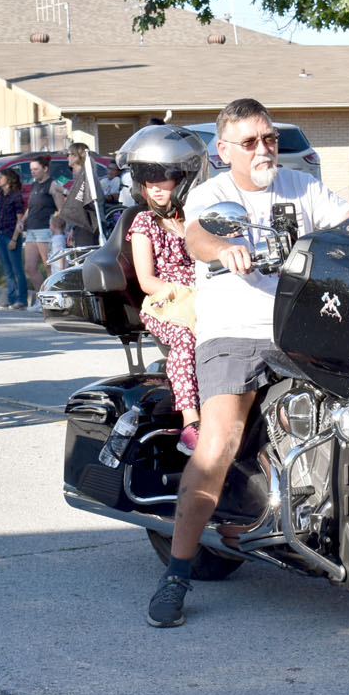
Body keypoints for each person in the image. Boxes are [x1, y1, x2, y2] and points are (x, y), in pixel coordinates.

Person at [147, 97, 349, 629]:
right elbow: (196, 236)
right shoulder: (212, 193)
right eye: (250, 142)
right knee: (218, 442)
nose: (264, 149)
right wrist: (222, 249)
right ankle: (176, 573)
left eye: (270, 139)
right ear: (225, 150)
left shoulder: (301, 185)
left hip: (302, 329)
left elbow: (346, 219)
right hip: (235, 332)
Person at [122, 125, 207, 455]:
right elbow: (147, 280)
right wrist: (187, 294)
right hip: (165, 302)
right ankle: (191, 424)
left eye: (164, 178)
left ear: (182, 179)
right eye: (148, 179)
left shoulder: (194, 218)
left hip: (203, 297)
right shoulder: (143, 222)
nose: (156, 188)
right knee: (186, 338)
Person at [15, 155, 62, 296]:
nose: (33, 172)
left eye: (36, 169)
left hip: (45, 230)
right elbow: (31, 207)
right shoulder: (35, 184)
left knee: (48, 266)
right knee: (30, 267)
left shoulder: (53, 184)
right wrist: (21, 221)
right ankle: (41, 297)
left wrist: (58, 226)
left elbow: (61, 208)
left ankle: (51, 297)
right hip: (32, 230)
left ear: (45, 168)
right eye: (31, 169)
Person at [0, 168, 27, 309]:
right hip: (1, 234)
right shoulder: (0, 196)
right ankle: (11, 298)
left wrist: (14, 239)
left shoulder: (16, 196)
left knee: (17, 268)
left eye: (1, 176)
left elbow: (20, 220)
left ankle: (22, 299)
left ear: (9, 179)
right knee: (7, 270)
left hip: (11, 234)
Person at [57, 143, 100, 248]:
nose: (67, 157)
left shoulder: (85, 175)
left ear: (76, 157)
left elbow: (80, 202)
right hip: (81, 224)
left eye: (69, 154)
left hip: (87, 226)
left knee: (84, 259)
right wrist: (72, 228)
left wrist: (64, 191)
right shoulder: (81, 174)